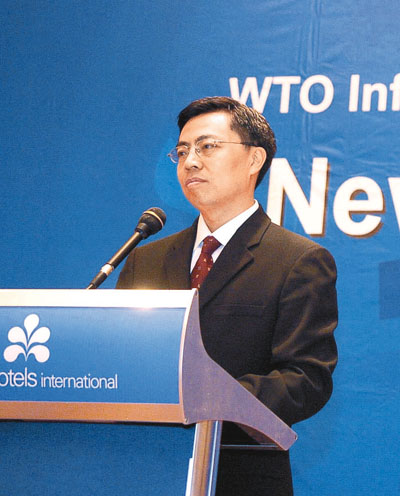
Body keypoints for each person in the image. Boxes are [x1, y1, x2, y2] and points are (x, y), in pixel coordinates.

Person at [117, 96, 338, 495]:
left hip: (240, 475)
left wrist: (210, 398)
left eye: (207, 146)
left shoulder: (297, 261)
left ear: (254, 159)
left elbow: (306, 379)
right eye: (182, 151)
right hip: (140, 470)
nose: (190, 162)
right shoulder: (144, 260)